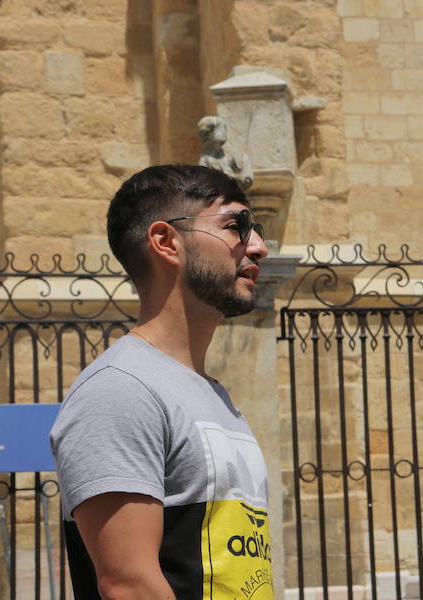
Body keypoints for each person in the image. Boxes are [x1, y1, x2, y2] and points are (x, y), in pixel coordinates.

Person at [50, 165, 271, 599]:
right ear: (166, 242)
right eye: (235, 226)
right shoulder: (121, 389)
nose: (259, 247)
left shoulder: (210, 394)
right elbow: (129, 585)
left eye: (255, 228)